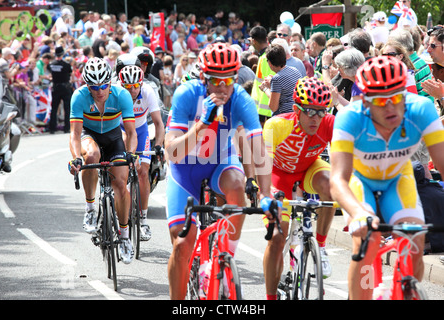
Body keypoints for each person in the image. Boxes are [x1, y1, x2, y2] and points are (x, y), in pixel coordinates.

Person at [164, 43, 277, 299]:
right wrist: (203, 123)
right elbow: (171, 153)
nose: (223, 87)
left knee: (238, 185)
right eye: (216, 80)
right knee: (183, 244)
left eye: (229, 80)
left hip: (220, 164)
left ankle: (225, 256)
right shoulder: (186, 94)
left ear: (236, 78)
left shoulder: (240, 98)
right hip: (185, 172)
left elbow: (257, 148)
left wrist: (267, 193)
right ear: (204, 78)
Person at [329, 55, 444, 300]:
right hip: (361, 182)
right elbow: (338, 179)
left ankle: (406, 289)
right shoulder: (350, 117)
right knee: (367, 242)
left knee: (416, 239)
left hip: (397, 180)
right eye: (380, 101)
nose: (390, 107)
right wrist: (358, 214)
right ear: (365, 102)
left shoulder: (420, 109)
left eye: (396, 97)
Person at [262, 77, 336, 300]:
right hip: (278, 176)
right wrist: (265, 195)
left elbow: (346, 160)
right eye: (310, 111)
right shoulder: (276, 124)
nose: (316, 118)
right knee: (277, 236)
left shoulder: (329, 122)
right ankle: (270, 296)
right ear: (296, 109)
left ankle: (320, 246)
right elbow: (264, 166)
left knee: (331, 186)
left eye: (321, 111)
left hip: (308, 169)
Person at [68, 57, 137, 264]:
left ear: (110, 81)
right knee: (91, 156)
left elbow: (131, 132)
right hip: (89, 135)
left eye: (104, 85)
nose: (100, 91)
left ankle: (124, 237)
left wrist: (131, 153)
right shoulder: (79, 97)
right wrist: (76, 159)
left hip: (114, 137)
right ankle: (90, 208)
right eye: (94, 86)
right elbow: (74, 134)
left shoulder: (122, 95)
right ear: (87, 85)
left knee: (121, 185)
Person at [118, 65, 165, 241]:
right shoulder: (116, 93)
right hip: (121, 130)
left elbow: (159, 124)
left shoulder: (147, 92)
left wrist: (159, 145)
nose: (131, 91)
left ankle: (143, 219)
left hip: (141, 130)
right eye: (127, 87)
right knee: (120, 175)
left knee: (143, 172)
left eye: (135, 86)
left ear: (140, 84)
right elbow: (115, 127)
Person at [258, 44, 302, 116]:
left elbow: (273, 107)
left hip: (287, 117)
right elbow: (287, 92)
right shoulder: (295, 70)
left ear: (270, 63)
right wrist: (272, 84)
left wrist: (265, 89)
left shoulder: (277, 79)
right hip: (298, 114)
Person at [48, 46, 73, 134]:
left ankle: (52, 128)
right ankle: (67, 128)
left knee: (54, 108)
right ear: (62, 54)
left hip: (56, 87)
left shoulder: (51, 64)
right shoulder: (66, 64)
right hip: (65, 87)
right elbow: (70, 73)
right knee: (67, 108)